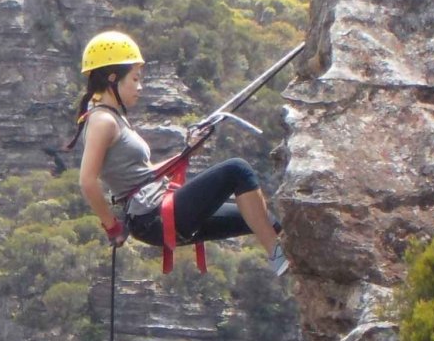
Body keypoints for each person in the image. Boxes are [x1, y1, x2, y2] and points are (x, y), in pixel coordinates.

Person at [67, 31, 288, 276]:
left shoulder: (113, 117)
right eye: (135, 79)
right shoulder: (103, 121)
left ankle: (290, 261)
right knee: (238, 170)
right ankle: (278, 258)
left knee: (264, 219)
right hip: (153, 216)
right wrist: (112, 227)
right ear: (112, 78)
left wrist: (187, 151)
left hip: (155, 214)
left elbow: (143, 175)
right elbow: (87, 181)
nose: (139, 87)